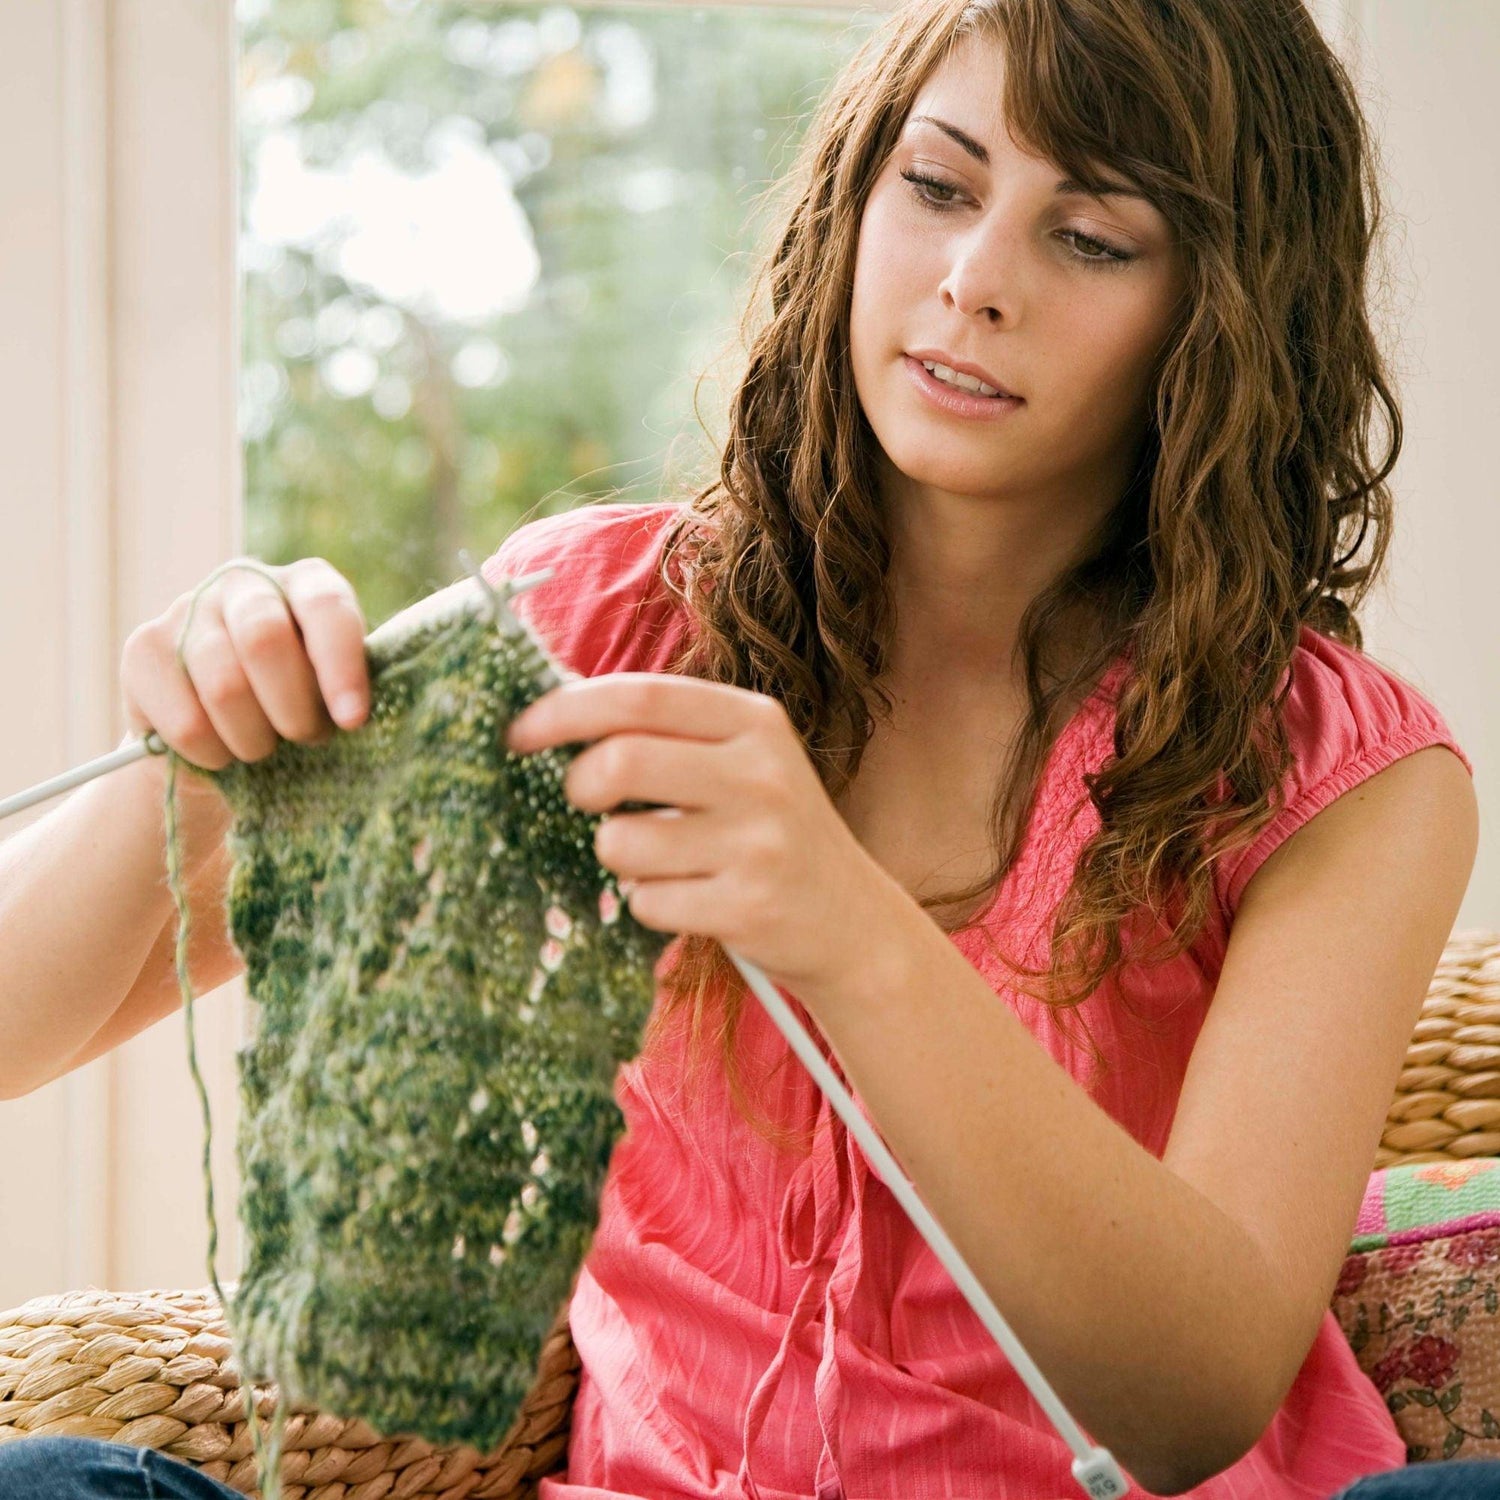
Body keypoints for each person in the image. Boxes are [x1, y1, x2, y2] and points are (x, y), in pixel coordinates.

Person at [0, 0, 1485, 1494]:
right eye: (940, 186)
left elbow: (1195, 1396)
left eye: (1092, 239)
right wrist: (199, 734)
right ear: (857, 200)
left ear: (1225, 311)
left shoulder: (1342, 778)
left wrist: (846, 926)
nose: (973, 283)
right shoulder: (613, 622)